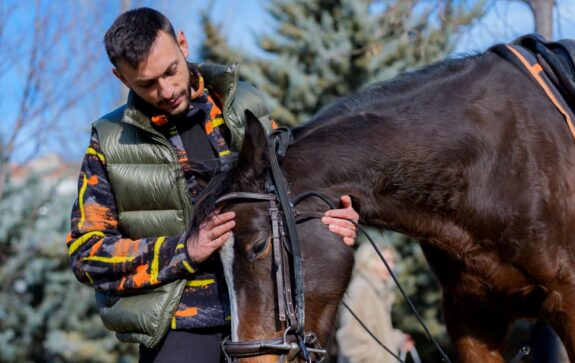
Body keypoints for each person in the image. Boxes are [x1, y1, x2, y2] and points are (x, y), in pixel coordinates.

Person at [66, 7, 358, 363]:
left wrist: (330, 219)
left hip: (271, 316)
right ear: (122, 79)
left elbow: (291, 196)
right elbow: (86, 254)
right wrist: (184, 250)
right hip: (182, 326)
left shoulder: (244, 104)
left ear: (183, 44)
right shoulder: (109, 142)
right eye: (147, 84)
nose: (167, 90)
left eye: (170, 70)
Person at [337, 243, 414, 363]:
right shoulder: (361, 289)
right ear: (369, 260)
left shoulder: (376, 290)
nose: (392, 266)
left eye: (392, 261)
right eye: (386, 260)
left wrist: (399, 339)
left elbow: (377, 336)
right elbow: (351, 338)